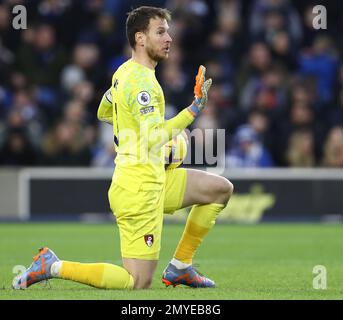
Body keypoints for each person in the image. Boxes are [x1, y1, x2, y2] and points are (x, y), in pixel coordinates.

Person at [13, 6, 233, 290]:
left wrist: (135, 137)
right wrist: (194, 109)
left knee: (219, 190)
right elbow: (154, 137)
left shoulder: (124, 72)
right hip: (139, 190)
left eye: (168, 31)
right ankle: (52, 265)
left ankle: (181, 266)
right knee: (136, 282)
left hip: (154, 178)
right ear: (140, 38)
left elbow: (105, 111)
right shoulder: (143, 82)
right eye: (161, 32)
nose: (169, 38)